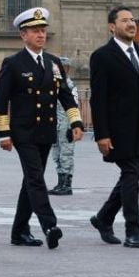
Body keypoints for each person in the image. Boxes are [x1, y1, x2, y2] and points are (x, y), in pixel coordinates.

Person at [0, 7, 83, 250]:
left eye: (43, 30)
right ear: (23, 35)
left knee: (31, 181)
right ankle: (49, 225)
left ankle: (19, 231)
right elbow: (1, 100)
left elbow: (65, 94)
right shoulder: (13, 63)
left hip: (46, 130)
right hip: (23, 132)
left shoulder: (53, 62)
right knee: (35, 178)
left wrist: (76, 121)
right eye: (35, 31)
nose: (41, 35)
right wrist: (3, 133)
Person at [87, 6, 139, 249]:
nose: (131, 24)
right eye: (125, 20)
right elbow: (98, 99)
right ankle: (133, 230)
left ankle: (103, 218)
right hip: (118, 130)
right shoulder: (102, 56)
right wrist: (101, 134)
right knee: (131, 174)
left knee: (131, 176)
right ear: (112, 26)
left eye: (133, 20)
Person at [48, 57, 80, 196]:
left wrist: (72, 126)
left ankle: (67, 184)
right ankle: (60, 182)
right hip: (55, 125)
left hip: (66, 124)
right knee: (57, 155)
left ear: (66, 68)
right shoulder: (54, 83)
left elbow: (75, 106)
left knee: (66, 154)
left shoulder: (69, 85)